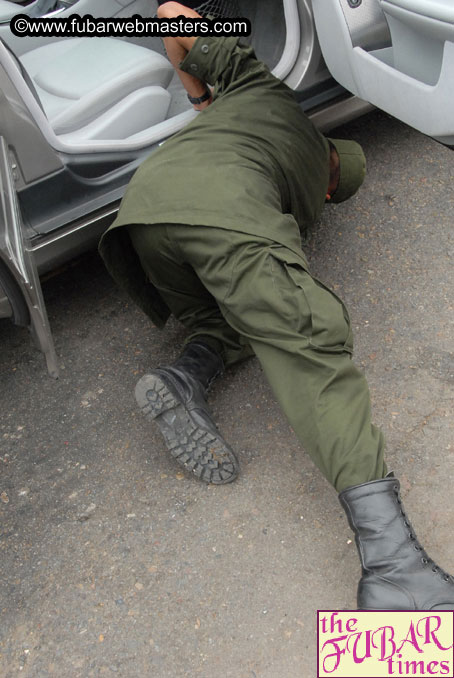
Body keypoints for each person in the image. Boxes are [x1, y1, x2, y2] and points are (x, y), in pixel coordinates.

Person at [99, 1, 454, 610]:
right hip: (223, 213)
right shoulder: (310, 182)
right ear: (331, 176)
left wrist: (200, 102)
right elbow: (276, 268)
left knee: (230, 317)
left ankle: (185, 376)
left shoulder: (259, 87)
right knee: (309, 341)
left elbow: (170, 13)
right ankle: (394, 566)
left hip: (143, 220)